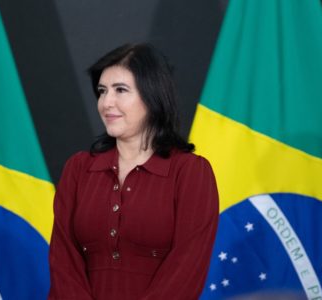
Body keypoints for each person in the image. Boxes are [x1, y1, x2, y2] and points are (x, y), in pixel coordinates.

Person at [48, 43, 219, 300]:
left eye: (120, 90)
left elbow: (186, 270)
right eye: (102, 91)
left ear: (153, 96)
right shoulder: (79, 168)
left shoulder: (191, 172)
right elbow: (64, 260)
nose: (106, 102)